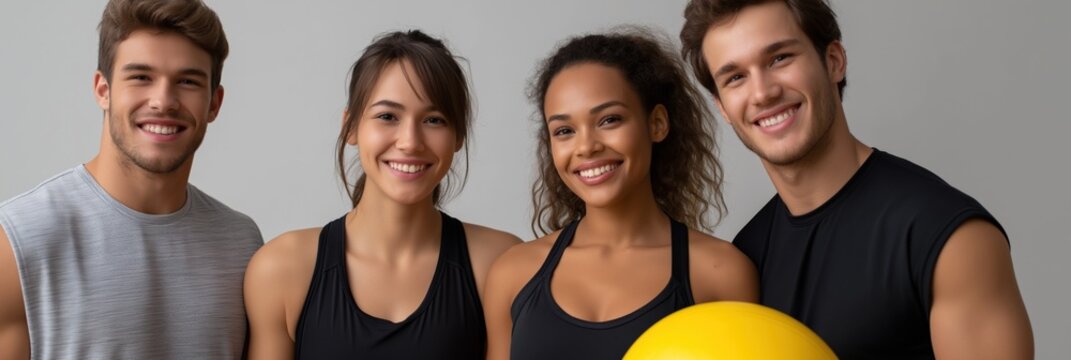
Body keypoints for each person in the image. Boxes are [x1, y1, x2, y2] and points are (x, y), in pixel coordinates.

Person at [680, 0, 1033, 358]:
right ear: (722, 106)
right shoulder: (748, 254)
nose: (763, 92)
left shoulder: (946, 235)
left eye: (780, 58)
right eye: (736, 77)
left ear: (833, 61)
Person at [0, 0, 263, 359]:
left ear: (214, 103)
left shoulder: (241, 243)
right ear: (103, 90)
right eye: (141, 77)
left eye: (187, 81)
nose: (163, 101)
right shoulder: (17, 242)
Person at [243, 30, 520, 359]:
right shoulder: (281, 268)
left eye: (434, 120)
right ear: (350, 127)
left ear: (458, 135)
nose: (410, 141)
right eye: (388, 116)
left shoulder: (501, 264)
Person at [483, 29, 758, 360]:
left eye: (609, 120)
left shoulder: (720, 273)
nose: (586, 147)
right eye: (564, 131)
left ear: (656, 124)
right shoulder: (513, 274)